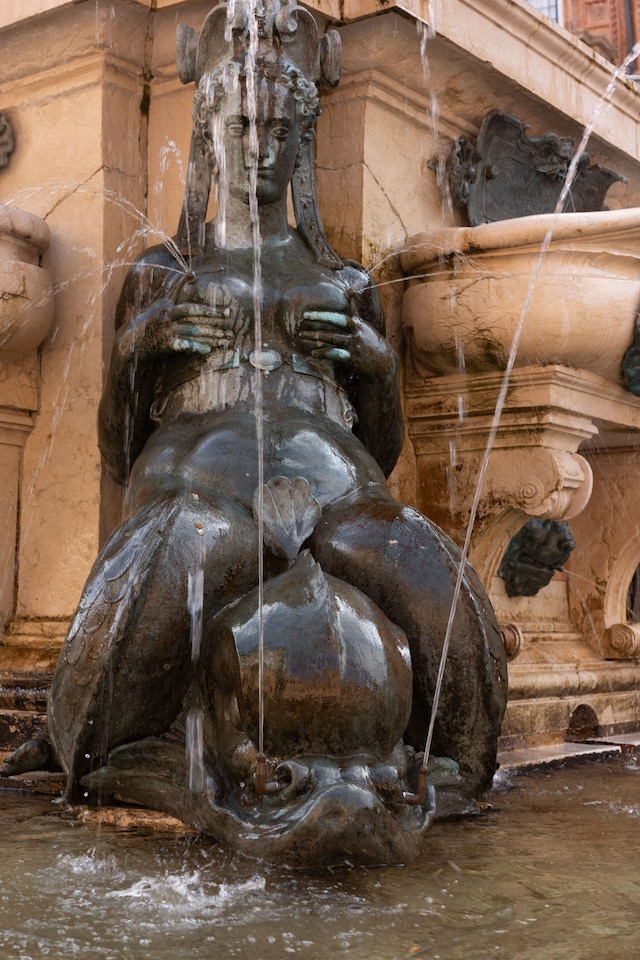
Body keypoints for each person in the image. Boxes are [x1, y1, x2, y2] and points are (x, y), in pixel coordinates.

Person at [47, 5, 506, 808]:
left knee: (419, 560)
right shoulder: (163, 273)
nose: (258, 150)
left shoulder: (348, 283)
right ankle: (104, 749)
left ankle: (458, 764)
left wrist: (376, 366)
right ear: (210, 135)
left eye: (278, 134)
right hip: (199, 491)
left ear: (301, 145)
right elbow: (117, 448)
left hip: (343, 499)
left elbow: (386, 446)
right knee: (180, 546)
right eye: (242, 128)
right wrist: (138, 347)